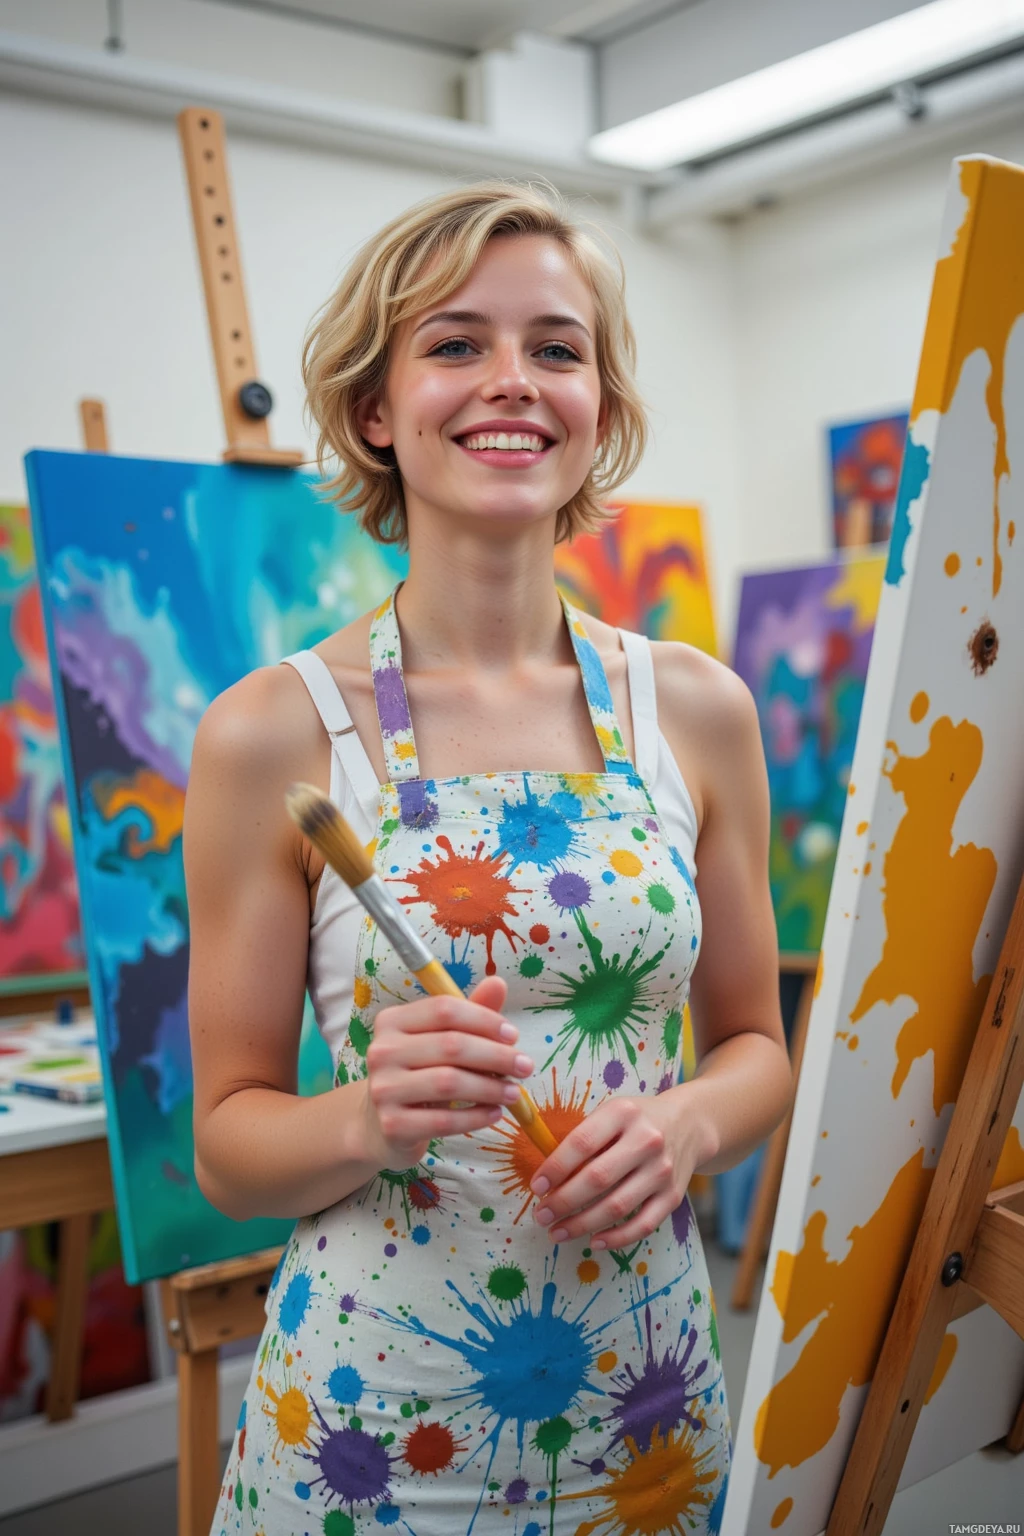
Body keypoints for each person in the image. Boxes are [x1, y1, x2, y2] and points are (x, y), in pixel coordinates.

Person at [185, 181, 791, 1536]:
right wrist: (363, 1117)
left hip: (651, 1416)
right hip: (366, 1433)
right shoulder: (272, 732)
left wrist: (685, 1124)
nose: (512, 381)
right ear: (375, 412)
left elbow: (757, 1042)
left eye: (557, 348)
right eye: (456, 343)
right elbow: (228, 1148)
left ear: (601, 411)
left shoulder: (694, 708)